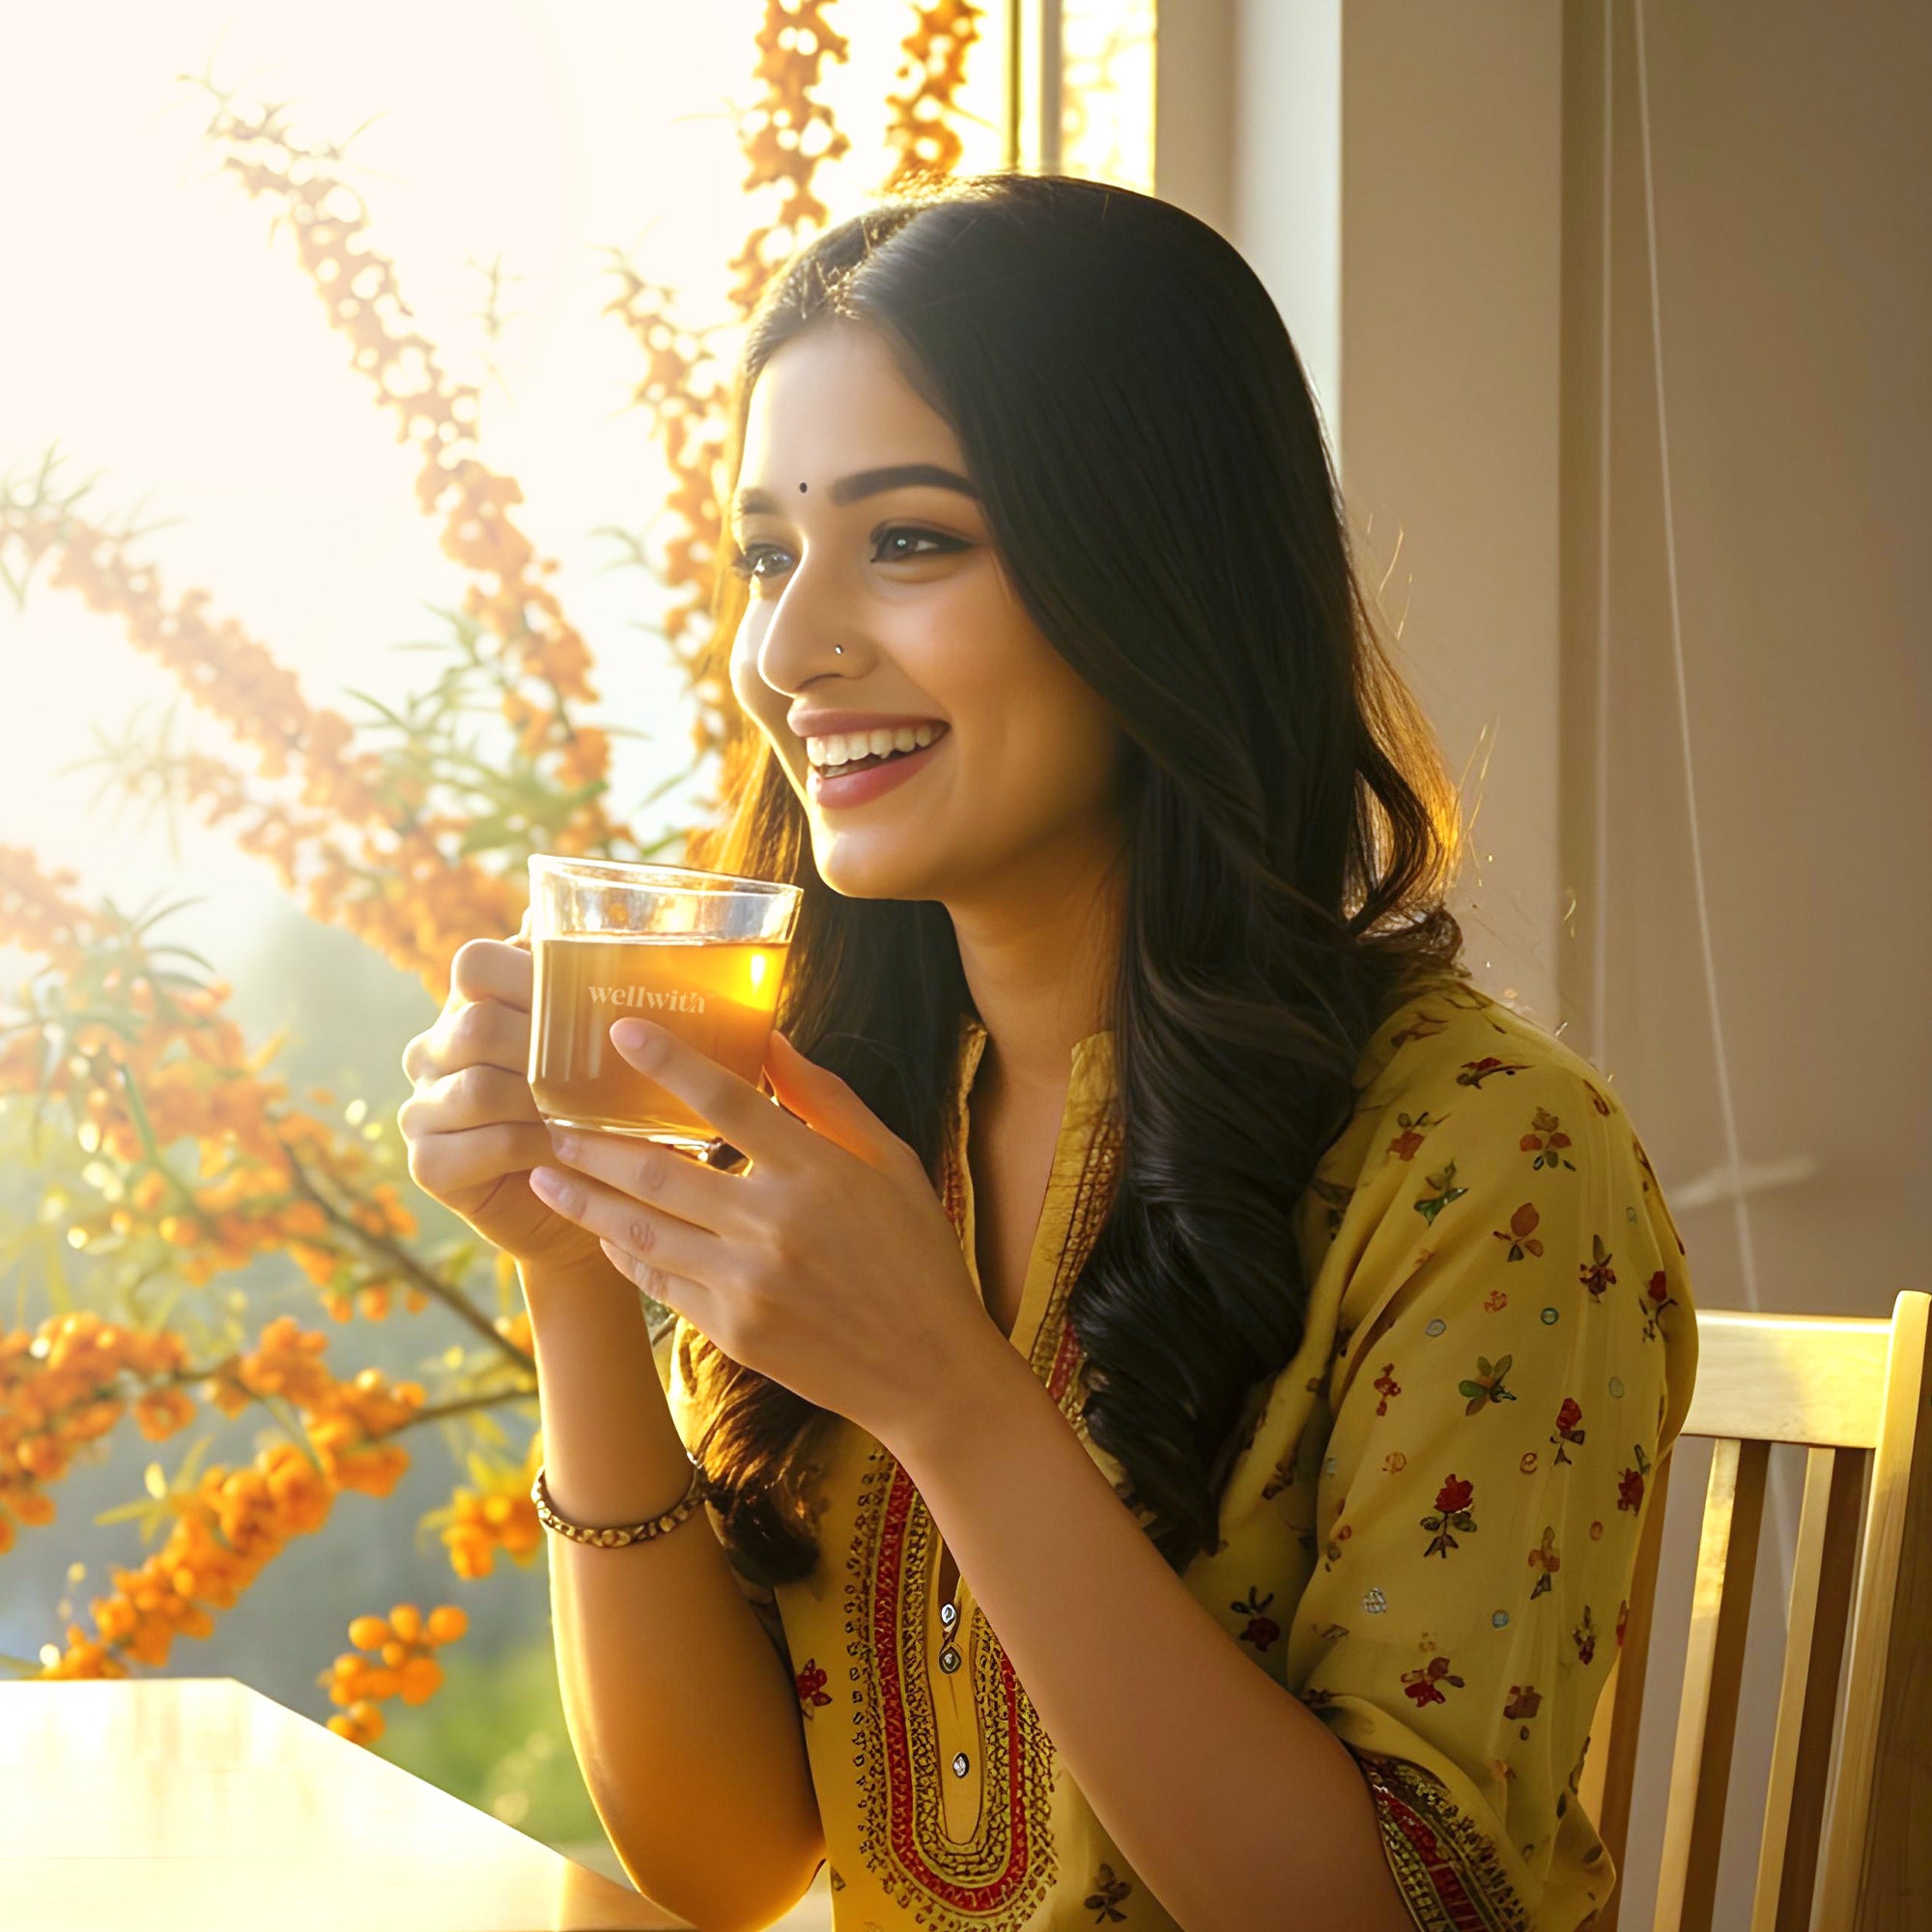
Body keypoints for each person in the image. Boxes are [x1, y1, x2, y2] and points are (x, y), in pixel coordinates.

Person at [399, 171, 1696, 1932]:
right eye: (767, 555)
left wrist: (949, 1393)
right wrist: (572, 1274)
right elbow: (724, 1863)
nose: (788, 649)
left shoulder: (1491, 1160)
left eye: (911, 539)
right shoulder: (859, 1116)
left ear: (1157, 571)